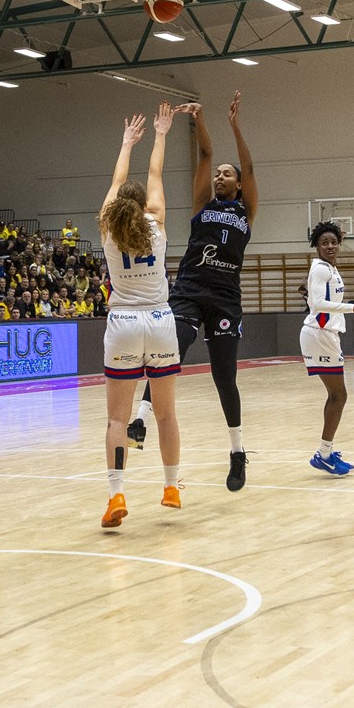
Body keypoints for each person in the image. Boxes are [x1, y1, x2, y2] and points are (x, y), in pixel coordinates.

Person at [132, 93, 257, 492]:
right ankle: (140, 419)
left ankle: (237, 451)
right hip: (189, 289)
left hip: (225, 298)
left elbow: (250, 166)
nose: (219, 176)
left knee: (224, 376)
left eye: (227, 174)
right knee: (171, 351)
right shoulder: (203, 204)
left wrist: (235, 127)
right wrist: (200, 119)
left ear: (239, 184)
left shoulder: (246, 211)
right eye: (217, 174)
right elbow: (204, 154)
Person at [98, 106, 183, 526]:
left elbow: (118, 182)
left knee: (117, 417)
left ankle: (117, 495)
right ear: (144, 206)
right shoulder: (157, 224)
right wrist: (160, 134)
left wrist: (126, 143)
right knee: (165, 413)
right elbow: (155, 176)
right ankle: (171, 487)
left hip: (124, 324)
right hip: (161, 321)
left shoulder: (107, 230)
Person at [301, 220, 354, 475]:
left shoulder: (330, 268)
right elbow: (317, 304)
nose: (330, 246)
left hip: (327, 333)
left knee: (337, 395)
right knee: (339, 396)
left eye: (334, 242)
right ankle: (324, 454)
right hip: (319, 333)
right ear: (317, 246)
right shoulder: (320, 268)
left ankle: (325, 452)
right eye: (324, 242)